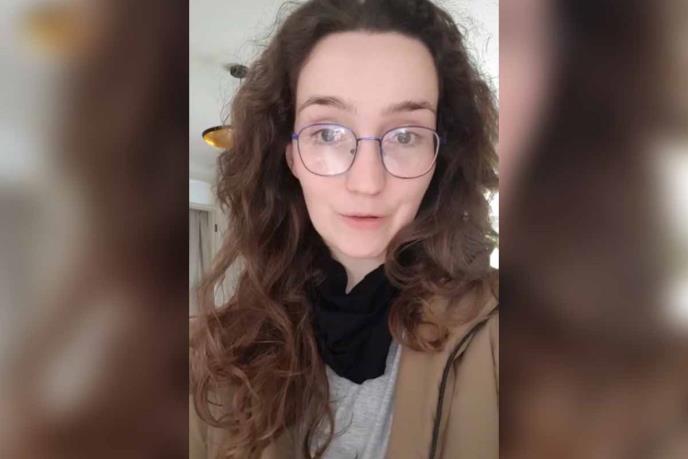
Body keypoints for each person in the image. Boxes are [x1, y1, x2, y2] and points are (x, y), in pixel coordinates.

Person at [190, 0, 498, 457]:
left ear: (440, 157)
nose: (367, 182)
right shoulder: (212, 356)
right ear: (290, 155)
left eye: (405, 136)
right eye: (328, 133)